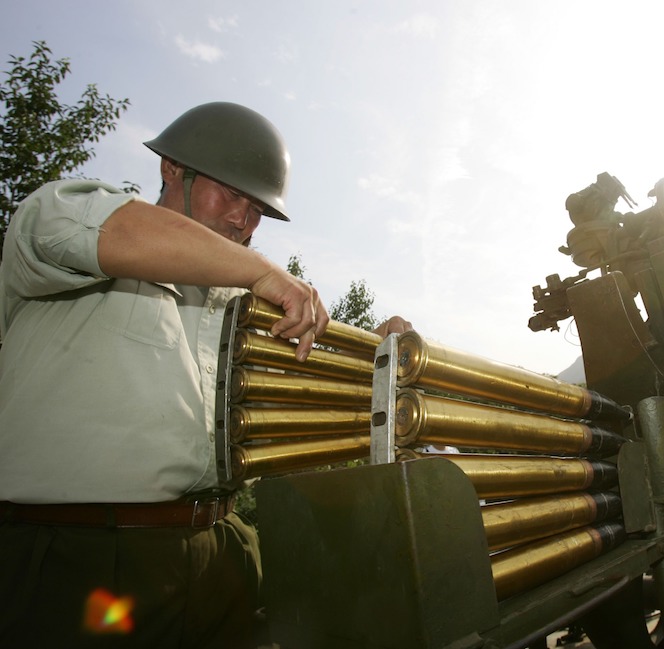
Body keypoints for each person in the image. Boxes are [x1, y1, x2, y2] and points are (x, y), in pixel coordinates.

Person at [0, 101, 411, 648]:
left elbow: (301, 402)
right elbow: (117, 231)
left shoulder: (243, 304)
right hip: (80, 558)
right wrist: (265, 272)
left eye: (258, 207)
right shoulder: (59, 215)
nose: (244, 219)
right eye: (231, 193)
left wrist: (376, 359)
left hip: (223, 549)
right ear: (172, 168)